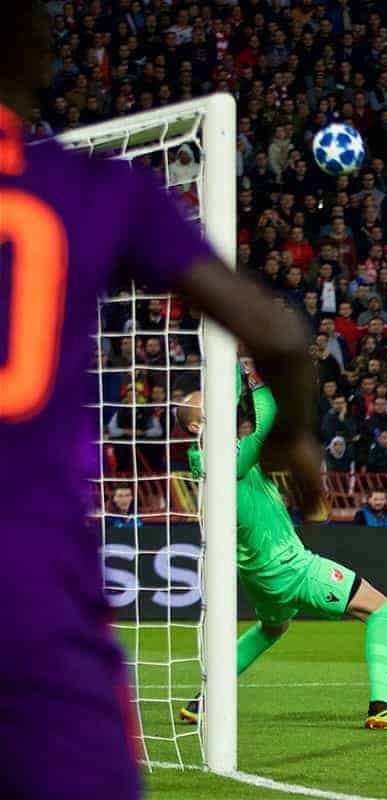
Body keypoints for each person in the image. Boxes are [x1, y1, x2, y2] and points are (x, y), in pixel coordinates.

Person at [0, 6, 323, 796]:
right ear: (35, 60)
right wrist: (295, 441)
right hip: (29, 579)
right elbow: (275, 332)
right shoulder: (90, 185)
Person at [177, 364, 387, 732]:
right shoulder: (224, 456)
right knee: (382, 609)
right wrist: (256, 383)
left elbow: (243, 413)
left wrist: (237, 373)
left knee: (272, 628)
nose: (222, 409)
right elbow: (265, 423)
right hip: (288, 566)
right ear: (198, 426)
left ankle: (203, 699)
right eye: (210, 408)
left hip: (255, 572)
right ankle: (382, 706)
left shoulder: (203, 458)